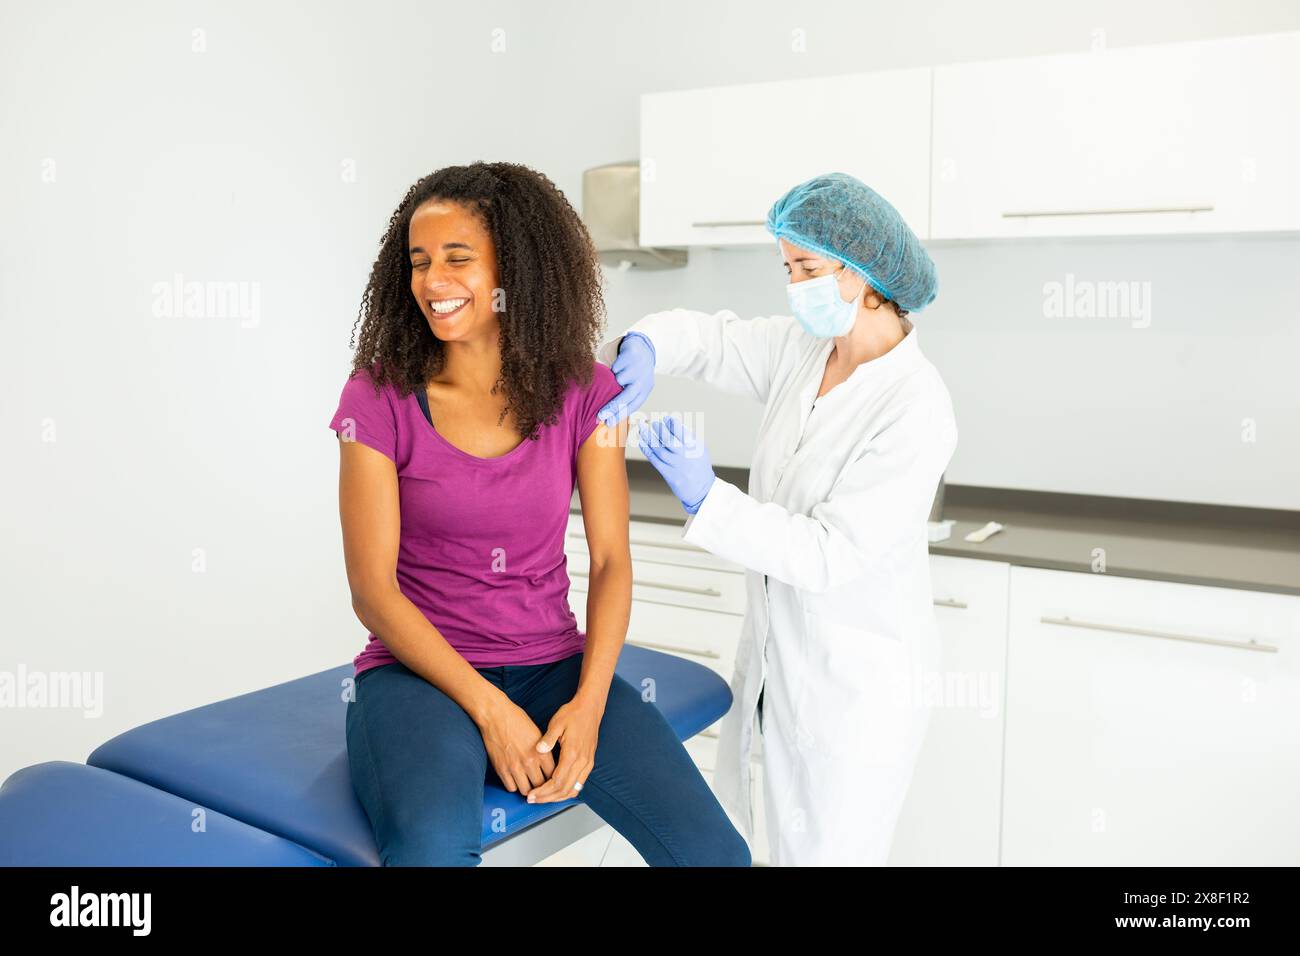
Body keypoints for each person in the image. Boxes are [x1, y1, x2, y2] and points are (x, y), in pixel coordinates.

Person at [328, 161, 749, 867]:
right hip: (418, 676)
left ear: (511, 271)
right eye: (419, 261)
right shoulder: (377, 398)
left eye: (458, 259)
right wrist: (491, 712)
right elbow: (374, 591)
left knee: (714, 854)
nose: (433, 281)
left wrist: (586, 708)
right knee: (432, 852)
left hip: (552, 664)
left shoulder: (587, 393)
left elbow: (613, 561)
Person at [595, 172, 957, 865]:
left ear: (863, 271)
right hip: (776, 665)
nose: (794, 285)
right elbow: (714, 341)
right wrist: (646, 346)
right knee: (756, 838)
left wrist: (709, 498)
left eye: (807, 268)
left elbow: (829, 553)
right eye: (787, 267)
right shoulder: (806, 351)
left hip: (852, 691)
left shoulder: (916, 404)